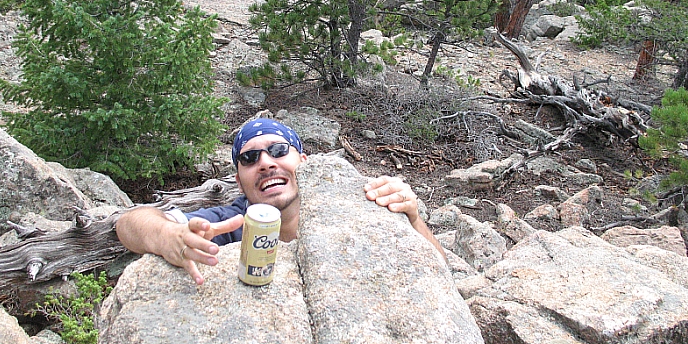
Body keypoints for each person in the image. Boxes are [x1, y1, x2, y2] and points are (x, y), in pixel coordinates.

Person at [116, 118, 445, 284]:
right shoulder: (231, 222)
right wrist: (167, 237)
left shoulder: (354, 207)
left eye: (277, 151)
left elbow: (438, 268)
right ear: (238, 180)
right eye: (250, 159)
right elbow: (128, 223)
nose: (265, 163)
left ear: (305, 161)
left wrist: (412, 218)